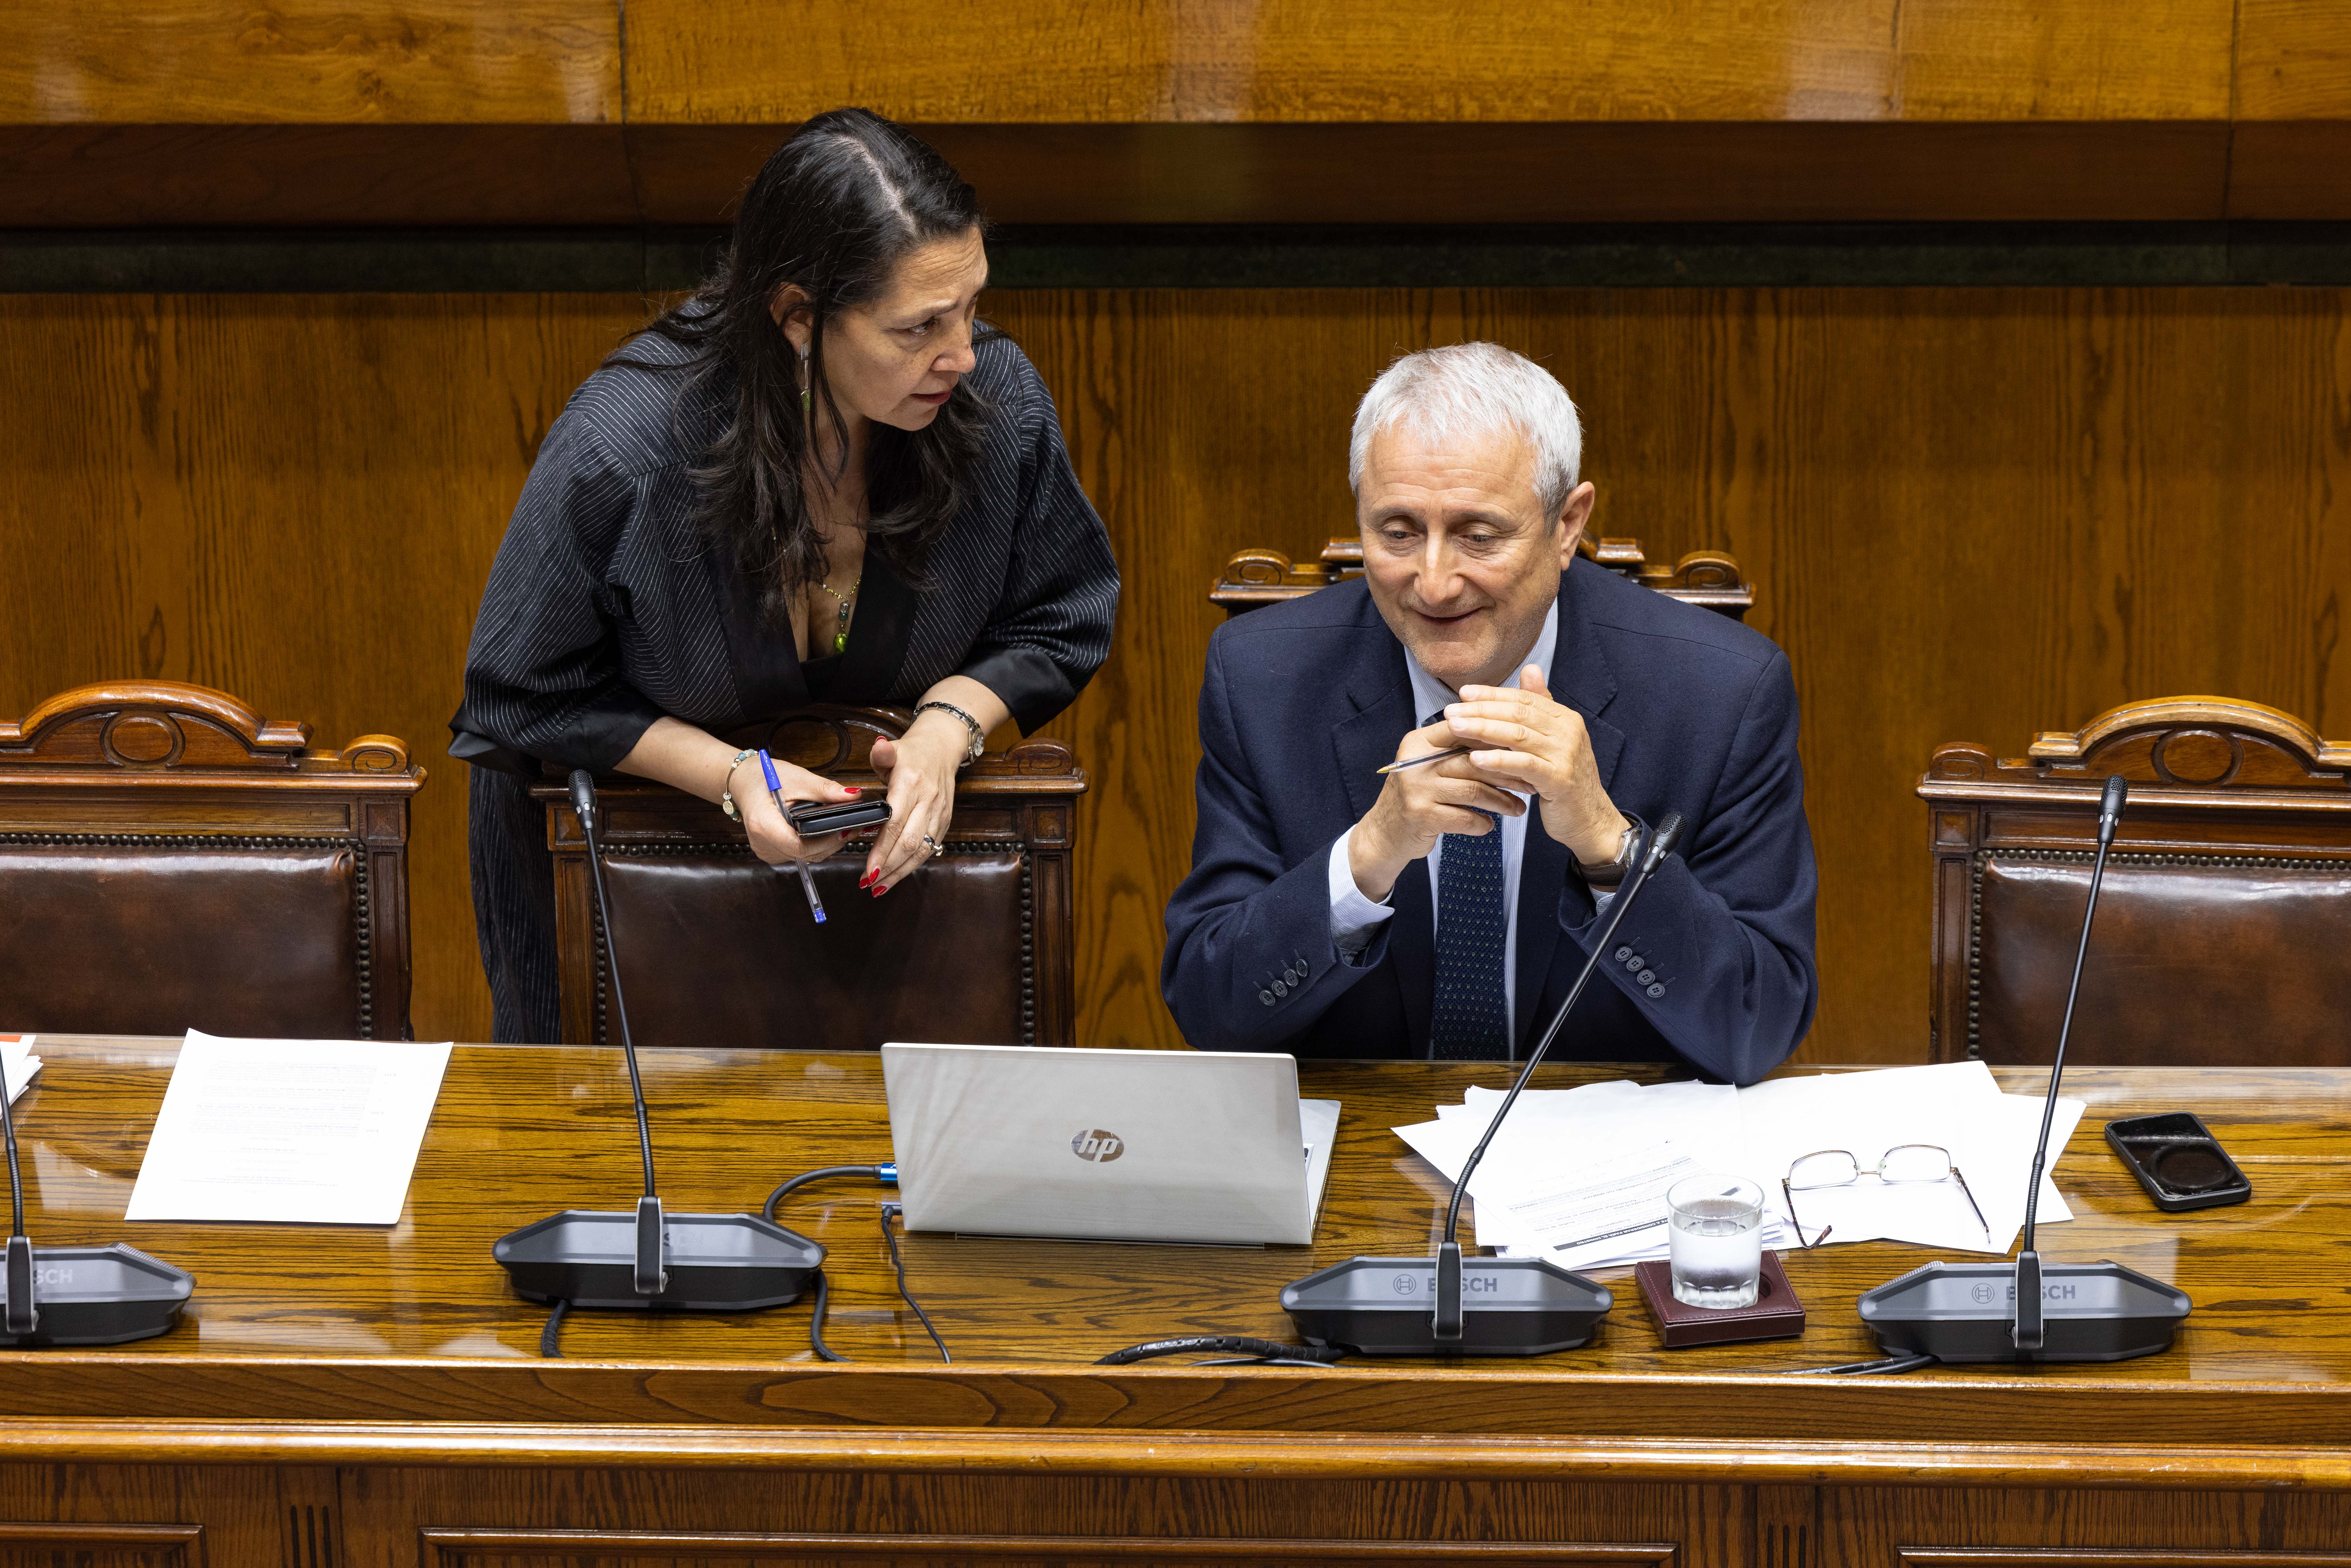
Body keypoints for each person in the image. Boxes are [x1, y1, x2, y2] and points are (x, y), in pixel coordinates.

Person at [452, 109, 1119, 1043]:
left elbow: (1063, 613)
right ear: (798, 317)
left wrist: (947, 726)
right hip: (629, 890)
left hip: (887, 896)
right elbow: (518, 689)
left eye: (971, 306)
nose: (964, 353)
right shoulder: (630, 444)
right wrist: (729, 774)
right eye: (918, 326)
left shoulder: (993, 400)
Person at [1162, 343, 1814, 1084]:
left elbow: (1758, 1027)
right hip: (1362, 1135)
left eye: (1479, 536)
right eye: (1399, 532)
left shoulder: (1721, 693)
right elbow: (1213, 1013)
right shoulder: (1262, 681)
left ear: (1567, 524)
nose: (1435, 584)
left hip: (1604, 1138)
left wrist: (1609, 847)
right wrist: (1368, 856)